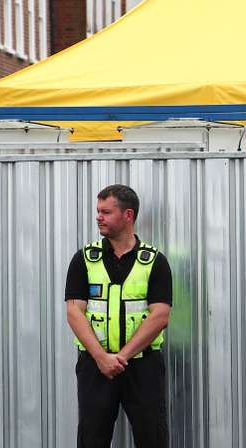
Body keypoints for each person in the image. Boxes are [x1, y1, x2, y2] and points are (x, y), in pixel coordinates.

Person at [65, 184, 172, 447]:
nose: (98, 217)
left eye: (106, 212)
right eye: (97, 211)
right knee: (92, 438)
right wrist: (102, 358)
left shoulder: (154, 261)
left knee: (152, 438)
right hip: (96, 367)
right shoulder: (84, 259)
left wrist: (121, 357)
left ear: (128, 215)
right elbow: (74, 312)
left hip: (143, 367)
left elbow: (160, 316)